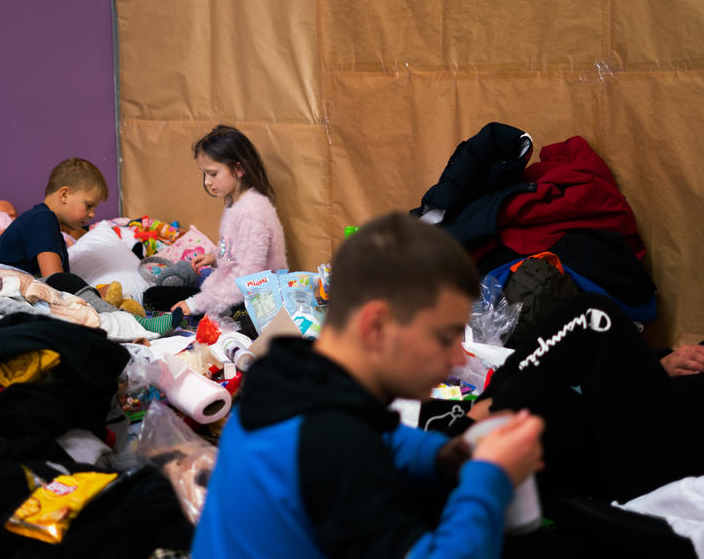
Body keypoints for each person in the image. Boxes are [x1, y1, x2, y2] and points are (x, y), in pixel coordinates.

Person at [192, 212, 545, 558]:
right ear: (376, 325)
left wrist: (442, 456)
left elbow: (377, 435)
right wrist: (489, 478)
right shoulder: (333, 442)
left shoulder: (288, 382)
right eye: (445, 336)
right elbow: (346, 450)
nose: (458, 357)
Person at [471, 262, 704, 515]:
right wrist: (662, 366)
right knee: (534, 392)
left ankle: (465, 420)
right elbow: (647, 376)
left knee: (594, 314)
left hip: (696, 464)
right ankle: (458, 457)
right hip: (639, 438)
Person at [145, 125, 287, 320]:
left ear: (239, 169)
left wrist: (196, 303)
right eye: (204, 174)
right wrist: (214, 256)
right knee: (159, 294)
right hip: (232, 286)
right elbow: (233, 245)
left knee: (157, 299)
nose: (206, 182)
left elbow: (248, 276)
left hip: (256, 298)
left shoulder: (254, 211)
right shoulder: (235, 202)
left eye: (212, 174)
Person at [0, 158, 107, 279]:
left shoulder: (49, 224)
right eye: (89, 206)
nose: (92, 215)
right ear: (64, 195)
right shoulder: (43, 219)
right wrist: (95, 292)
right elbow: (56, 281)